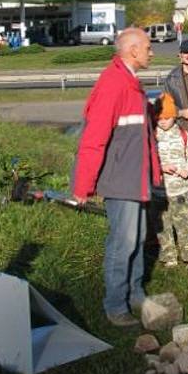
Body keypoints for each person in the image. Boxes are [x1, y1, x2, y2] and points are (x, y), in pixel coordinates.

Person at [71, 27, 161, 327]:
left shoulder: (130, 82)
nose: (151, 52)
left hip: (136, 178)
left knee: (136, 240)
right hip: (122, 180)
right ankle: (114, 305)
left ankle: (134, 293)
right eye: (147, 47)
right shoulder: (114, 84)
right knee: (122, 244)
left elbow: (138, 132)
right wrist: (82, 186)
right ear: (133, 51)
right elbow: (93, 139)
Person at [151, 93, 188, 270]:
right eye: (159, 118)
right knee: (163, 226)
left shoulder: (183, 135)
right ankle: (169, 256)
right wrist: (160, 167)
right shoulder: (151, 137)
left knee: (184, 225)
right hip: (158, 191)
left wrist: (187, 169)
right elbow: (144, 161)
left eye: (167, 118)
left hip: (179, 189)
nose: (163, 121)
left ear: (174, 116)